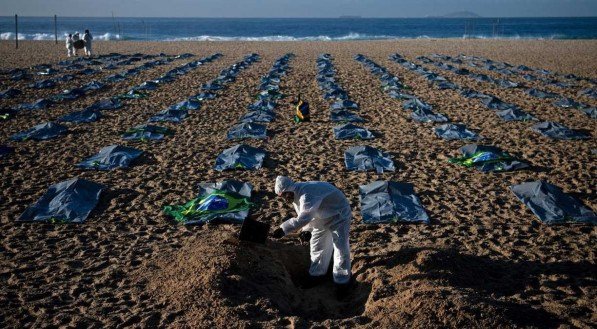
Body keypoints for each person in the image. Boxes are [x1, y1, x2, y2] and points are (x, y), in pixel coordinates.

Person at [271, 176, 353, 299]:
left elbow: (305, 216)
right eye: (282, 197)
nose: (285, 198)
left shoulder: (306, 194)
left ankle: (342, 282)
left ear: (290, 189)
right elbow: (305, 213)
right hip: (320, 218)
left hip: (338, 214)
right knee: (317, 245)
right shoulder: (295, 194)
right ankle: (317, 275)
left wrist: (283, 229)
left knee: (340, 248)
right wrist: (307, 230)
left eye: (285, 195)